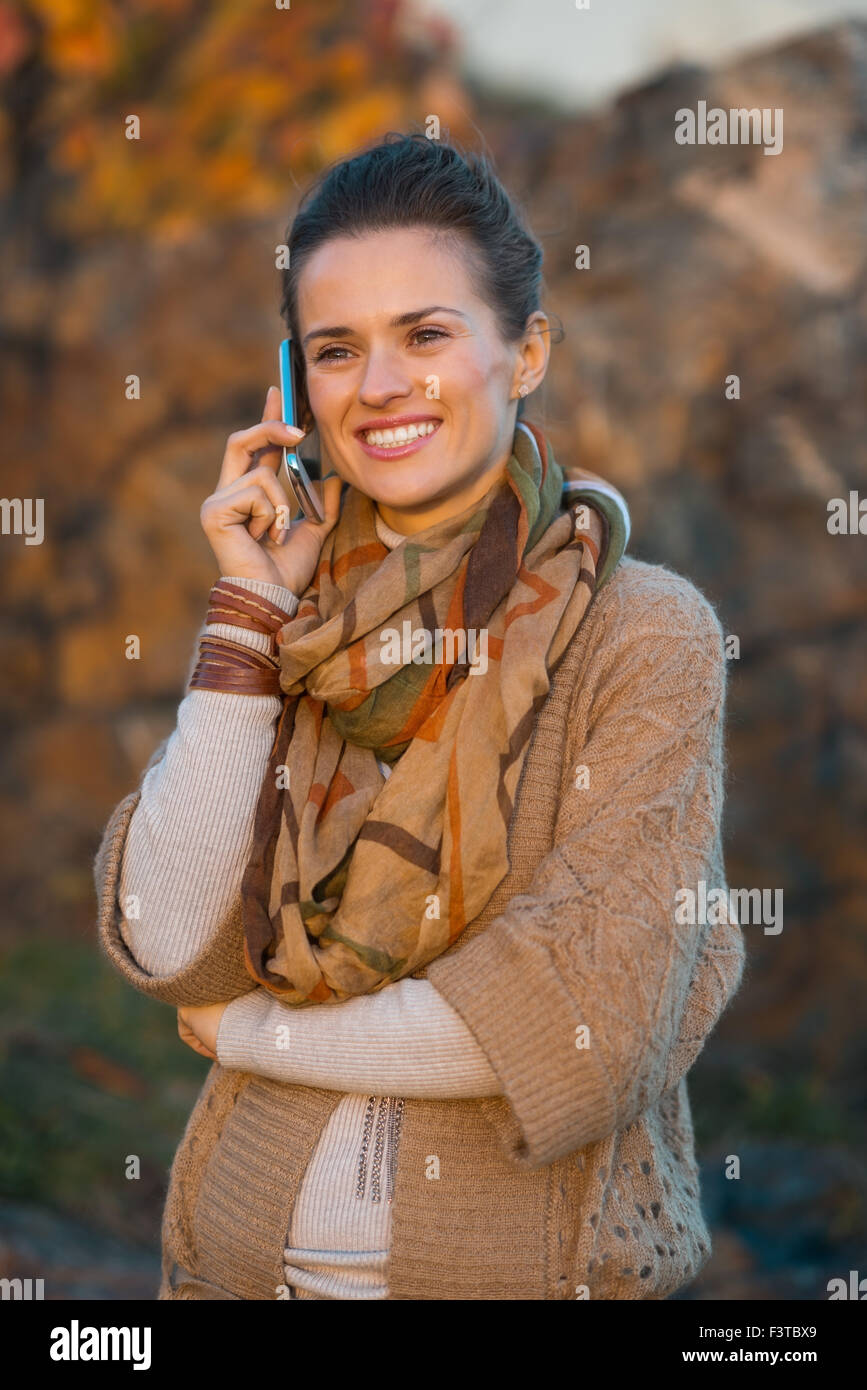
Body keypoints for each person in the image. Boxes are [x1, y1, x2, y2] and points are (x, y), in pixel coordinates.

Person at [93, 131, 745, 1301]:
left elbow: (583, 1016)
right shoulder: (294, 627)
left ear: (526, 349)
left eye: (427, 334)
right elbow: (167, 935)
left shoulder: (648, 636)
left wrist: (254, 1035)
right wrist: (247, 613)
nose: (381, 387)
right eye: (337, 350)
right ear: (297, 388)